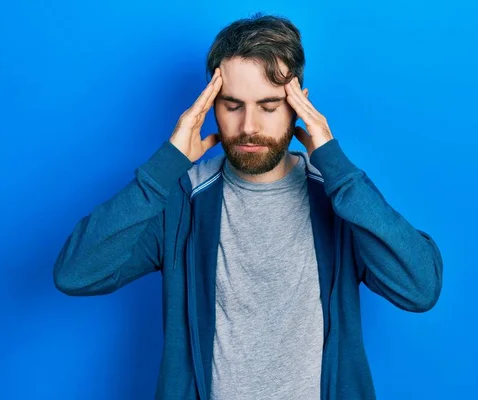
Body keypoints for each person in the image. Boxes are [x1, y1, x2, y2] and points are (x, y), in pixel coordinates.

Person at [53, 13, 443, 400]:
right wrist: (165, 166)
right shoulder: (182, 198)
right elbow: (76, 274)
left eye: (270, 106)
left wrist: (336, 166)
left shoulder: (340, 198)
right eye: (232, 105)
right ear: (210, 107)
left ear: (299, 106)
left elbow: (419, 288)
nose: (249, 126)